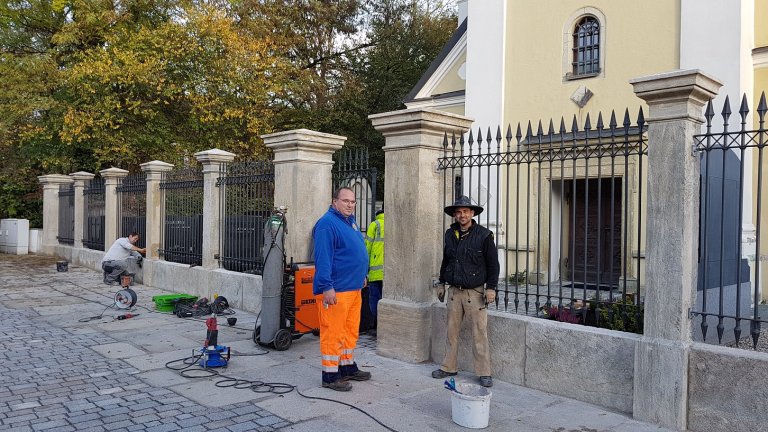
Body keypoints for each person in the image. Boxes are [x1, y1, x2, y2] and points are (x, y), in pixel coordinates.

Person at [432, 196, 500, 388]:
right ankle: (448, 366)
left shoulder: (484, 235)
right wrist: (441, 281)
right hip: (454, 291)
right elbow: (447, 259)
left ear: (472, 214)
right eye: (459, 212)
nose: (462, 215)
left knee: (479, 333)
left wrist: (491, 288)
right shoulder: (449, 234)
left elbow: (493, 264)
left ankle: (484, 372)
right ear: (455, 215)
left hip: (475, 293)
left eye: (466, 212)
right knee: (451, 332)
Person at [312, 187, 371, 391]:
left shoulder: (350, 221)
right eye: (345, 201)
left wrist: (362, 275)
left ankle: (346, 367)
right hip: (336, 290)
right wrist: (327, 287)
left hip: (353, 288)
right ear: (334, 201)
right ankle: (330, 375)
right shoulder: (327, 224)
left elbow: (354, 252)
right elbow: (323, 258)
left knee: (349, 331)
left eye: (353, 202)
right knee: (333, 332)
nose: (350, 205)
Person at [364, 208, 385, 337]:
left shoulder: (375, 224)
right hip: (388, 273)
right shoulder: (392, 223)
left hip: (375, 272)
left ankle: (376, 327)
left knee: (374, 300)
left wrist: (364, 270)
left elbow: (367, 248)